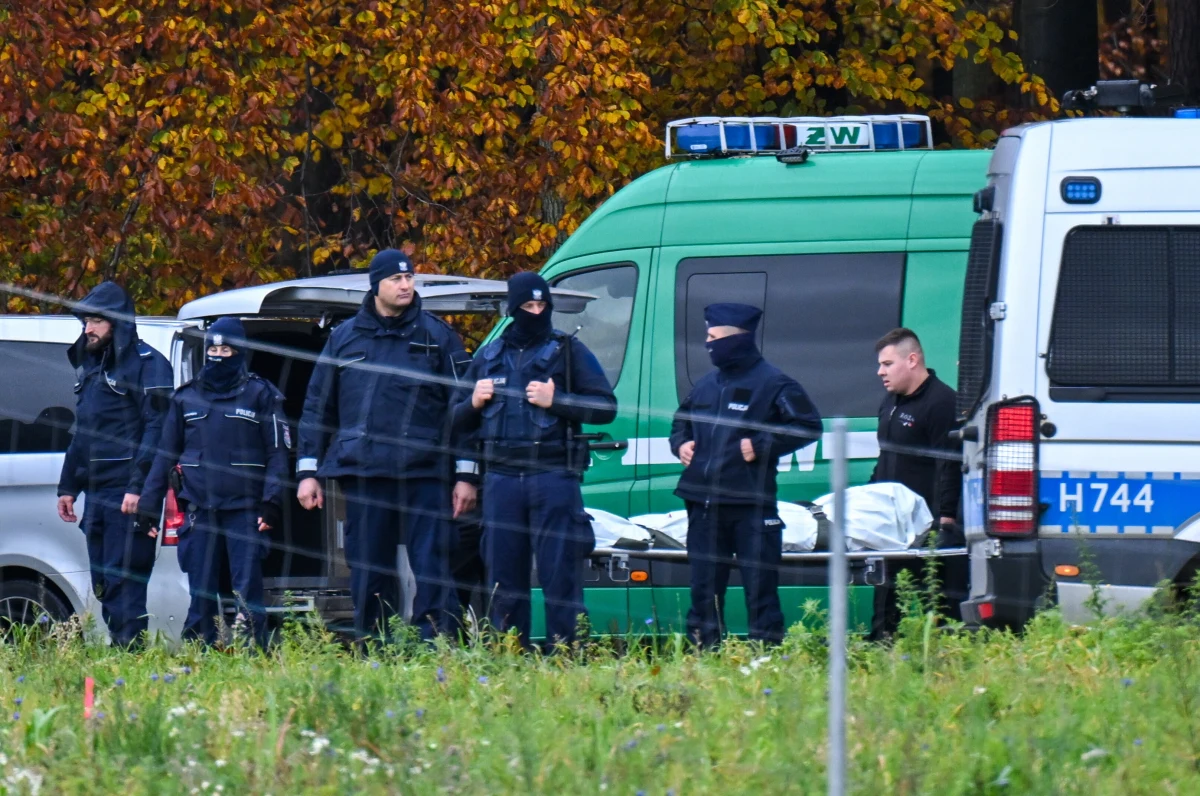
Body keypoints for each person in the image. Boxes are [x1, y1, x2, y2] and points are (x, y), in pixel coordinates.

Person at [297, 249, 478, 642]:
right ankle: (375, 646)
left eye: (410, 277)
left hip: (426, 471)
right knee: (369, 567)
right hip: (364, 472)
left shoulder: (438, 336)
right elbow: (316, 408)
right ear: (375, 285)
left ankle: (437, 645)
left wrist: (466, 474)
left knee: (432, 564)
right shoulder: (344, 339)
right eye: (396, 279)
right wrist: (307, 472)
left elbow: (464, 408)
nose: (405, 285)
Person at [452, 272, 617, 648]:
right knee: (503, 579)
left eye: (543, 306)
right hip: (501, 480)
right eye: (528, 306)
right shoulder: (488, 357)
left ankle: (567, 653)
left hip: (554, 477)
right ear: (513, 309)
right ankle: (510, 656)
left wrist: (556, 401)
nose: (537, 312)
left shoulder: (569, 351)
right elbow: (454, 423)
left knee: (561, 576)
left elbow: (605, 407)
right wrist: (473, 402)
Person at [669, 303, 822, 648]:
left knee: (760, 592)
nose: (707, 343)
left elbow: (809, 426)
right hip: (703, 504)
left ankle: (765, 663)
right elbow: (681, 421)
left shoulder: (774, 383)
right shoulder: (706, 385)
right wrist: (682, 444)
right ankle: (704, 660)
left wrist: (763, 444)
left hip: (750, 506)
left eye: (713, 336)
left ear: (736, 337)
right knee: (703, 593)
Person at [139, 318, 288, 647]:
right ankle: (198, 654)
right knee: (200, 590)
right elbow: (164, 456)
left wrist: (272, 502)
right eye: (214, 350)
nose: (220, 356)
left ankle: (254, 654)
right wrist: (148, 505)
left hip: (246, 511)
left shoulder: (260, 395)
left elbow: (278, 455)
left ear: (240, 352)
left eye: (227, 350)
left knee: (247, 590)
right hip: (199, 510)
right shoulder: (186, 398)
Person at [56, 281, 173, 648]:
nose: (87, 329)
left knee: (127, 580)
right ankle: (123, 653)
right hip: (98, 493)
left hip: (130, 493)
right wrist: (68, 486)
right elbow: (83, 430)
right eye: (85, 321)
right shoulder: (91, 367)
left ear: (116, 322)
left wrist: (138, 488)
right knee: (104, 582)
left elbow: (158, 431)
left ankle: (132, 658)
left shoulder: (150, 365)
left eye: (95, 321)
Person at [871, 328, 962, 532]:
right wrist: (869, 495)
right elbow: (885, 456)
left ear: (912, 360)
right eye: (880, 365)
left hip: (925, 521)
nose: (880, 372)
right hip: (890, 517)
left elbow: (951, 463)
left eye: (887, 364)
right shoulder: (889, 402)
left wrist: (946, 516)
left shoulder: (942, 401)